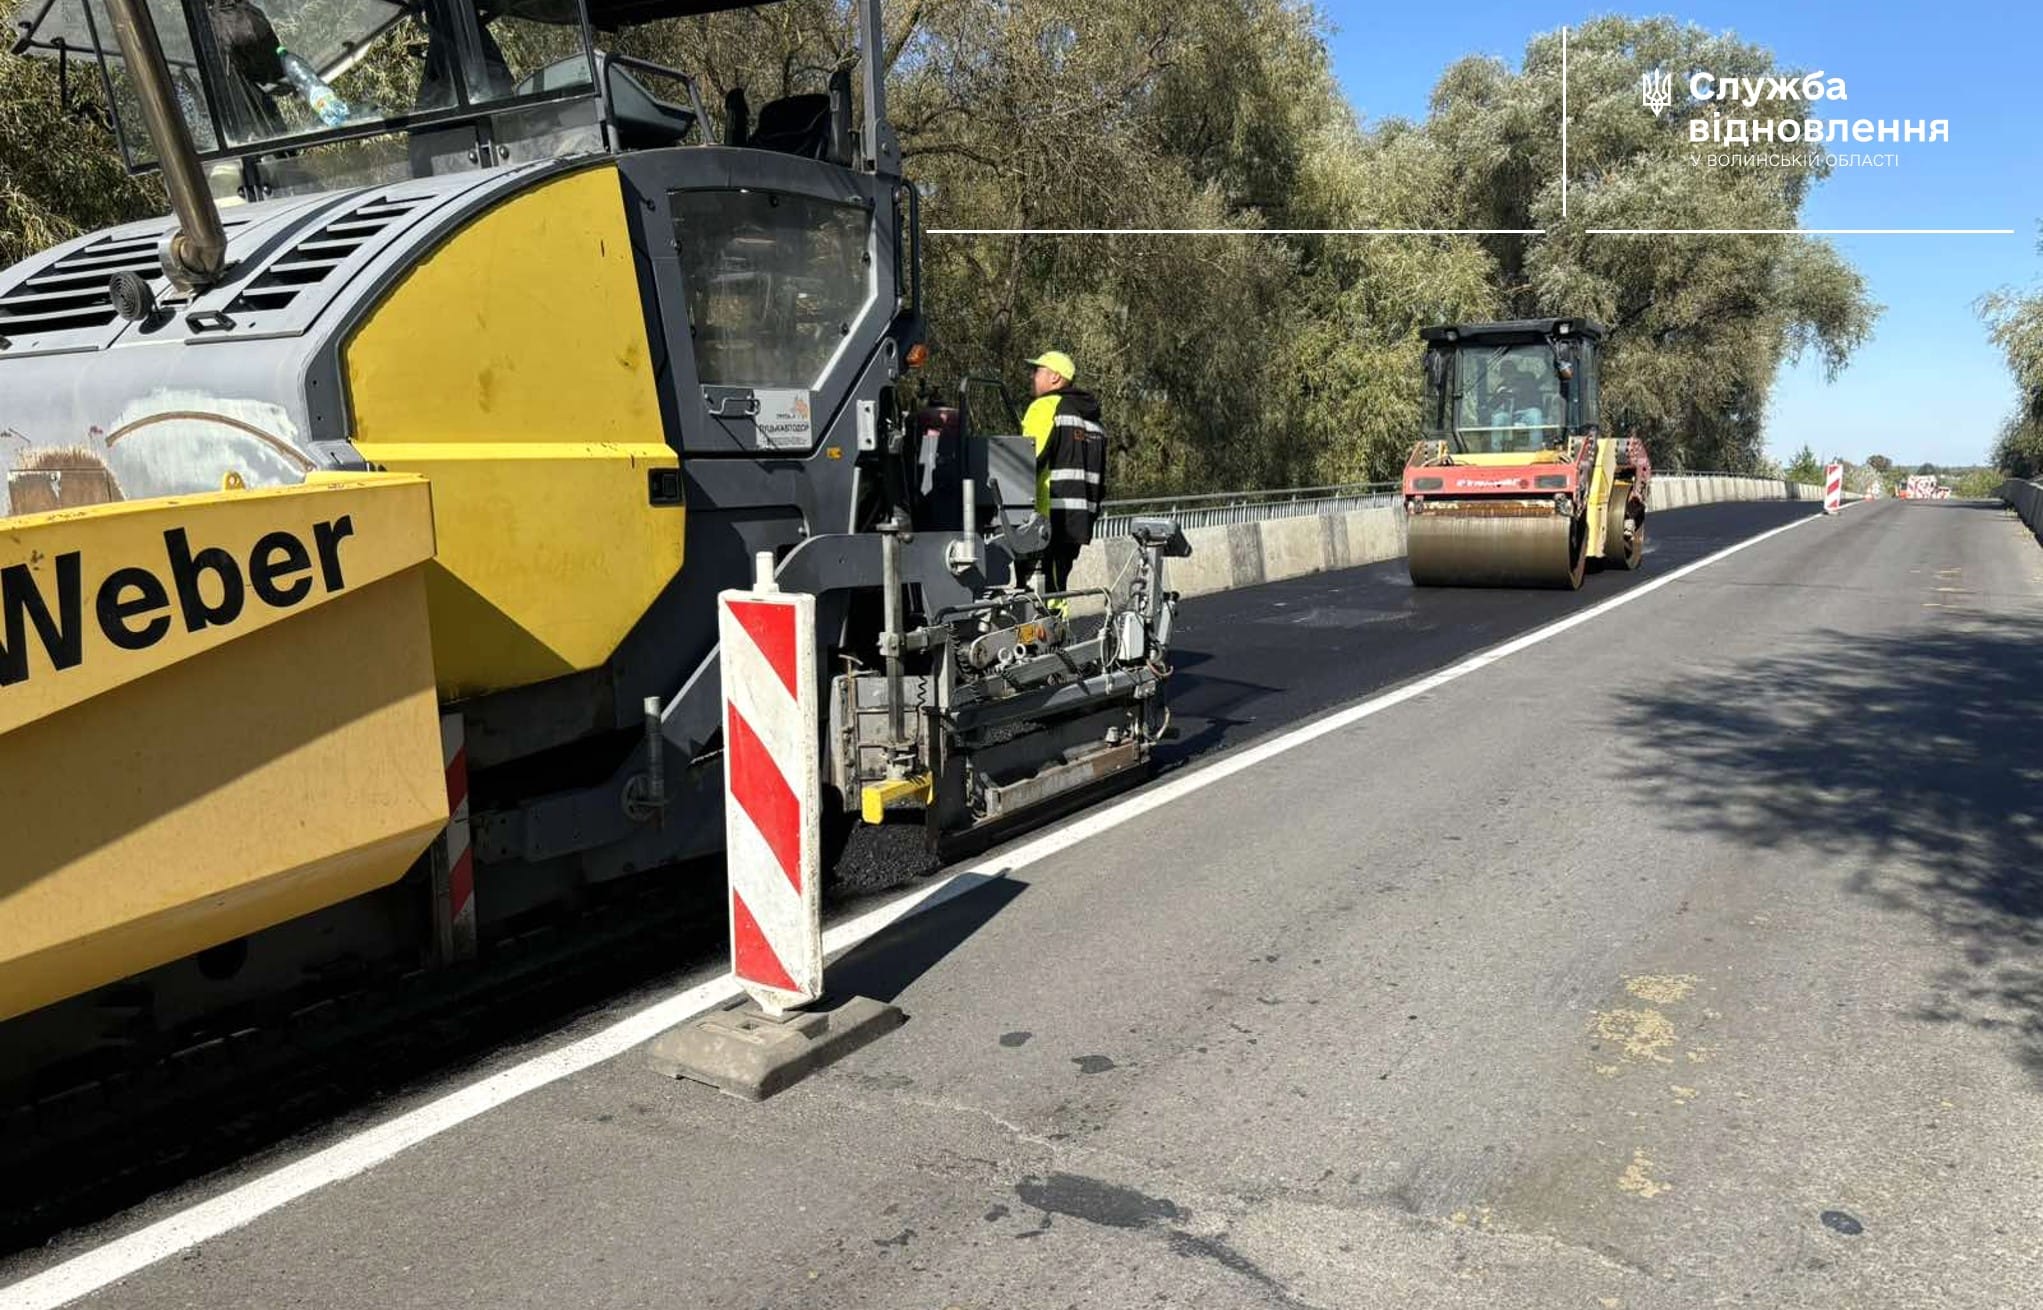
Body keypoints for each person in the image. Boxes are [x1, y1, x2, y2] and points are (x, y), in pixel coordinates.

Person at [1018, 350, 1107, 597]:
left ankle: (1053, 631)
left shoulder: (1046, 407)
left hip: (1046, 518)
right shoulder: (1094, 421)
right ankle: (1057, 628)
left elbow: (1025, 460)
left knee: (1041, 592)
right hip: (1079, 521)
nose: (1032, 377)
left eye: (1037, 371)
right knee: (1058, 586)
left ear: (1055, 378)